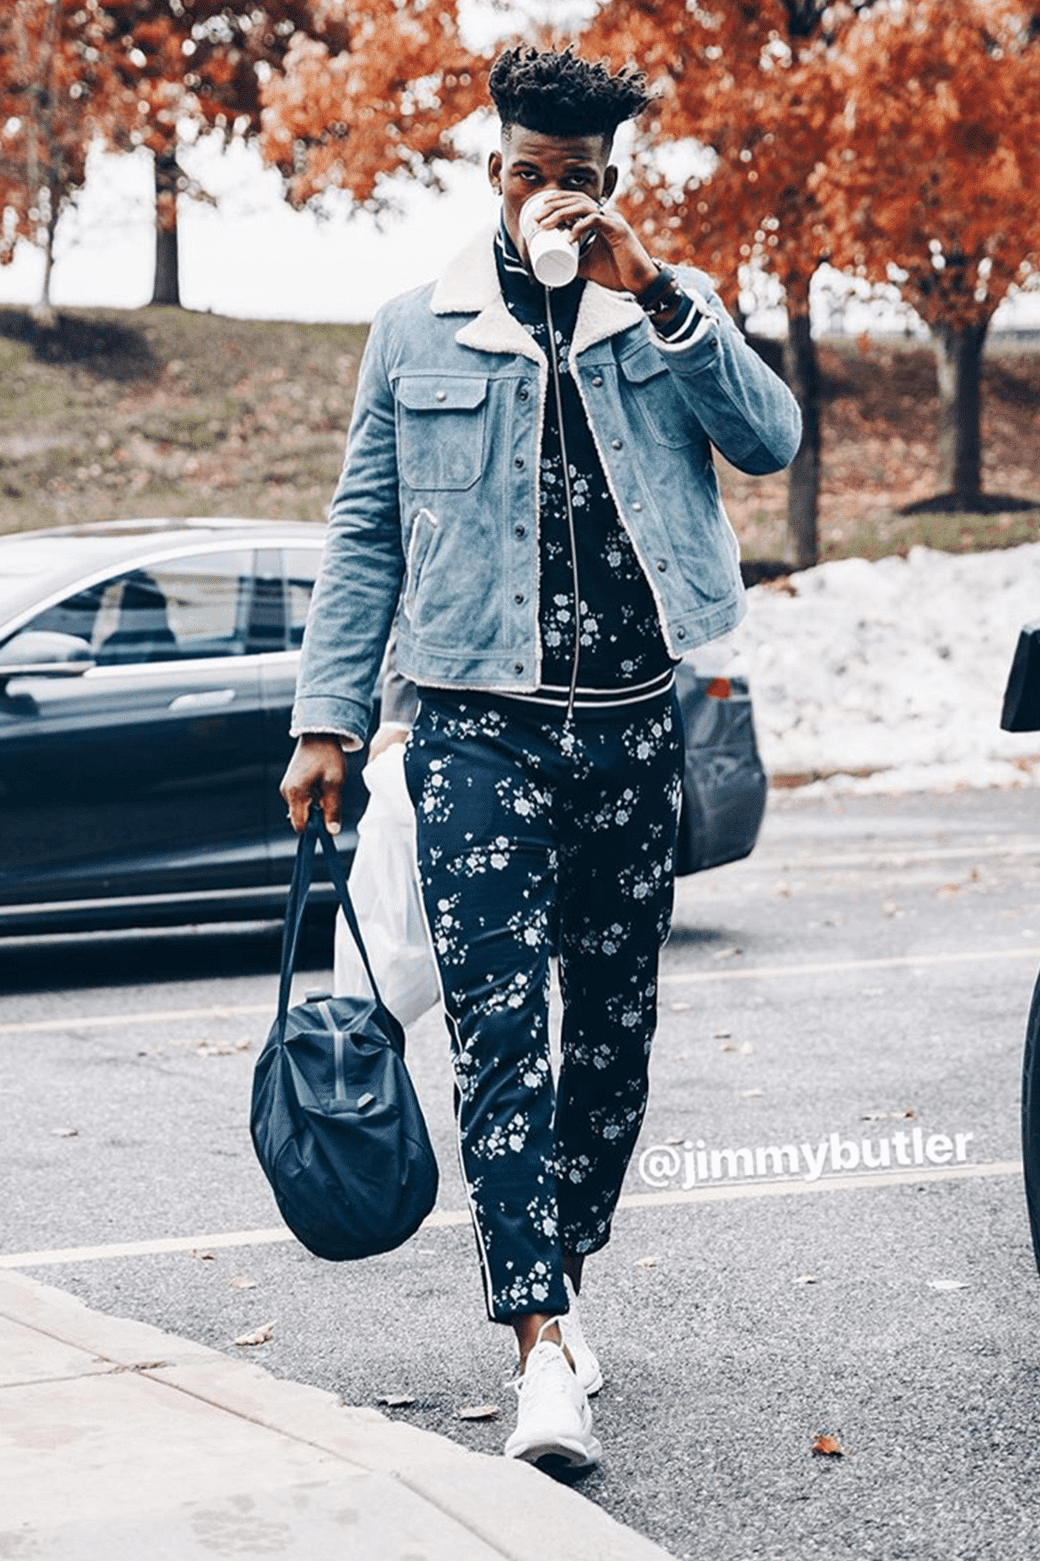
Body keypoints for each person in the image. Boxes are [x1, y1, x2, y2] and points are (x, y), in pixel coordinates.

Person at [282, 44, 801, 1470]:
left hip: (635, 726)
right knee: (503, 1036)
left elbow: (771, 440)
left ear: (607, 183)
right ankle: (541, 1349)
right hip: (469, 729)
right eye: (525, 174)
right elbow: (364, 532)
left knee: (614, 1041)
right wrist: (327, 718)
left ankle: (563, 1274)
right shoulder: (417, 328)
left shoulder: (661, 312)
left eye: (574, 180)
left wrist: (661, 293)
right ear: (491, 172)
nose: (547, 200)